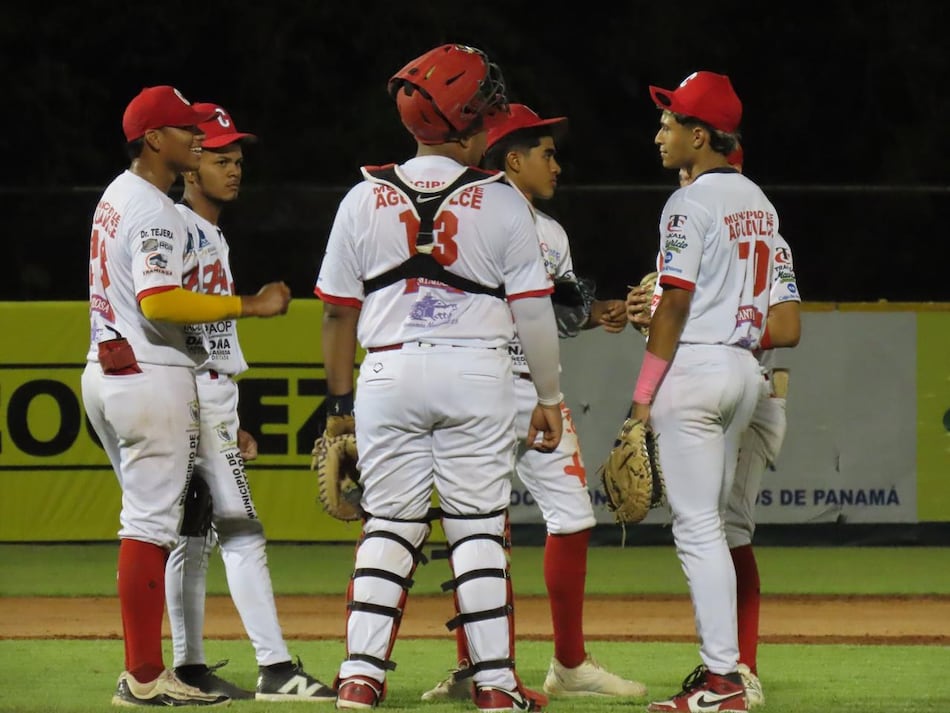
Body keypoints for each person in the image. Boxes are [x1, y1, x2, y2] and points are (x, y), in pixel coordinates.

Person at [314, 44, 564, 712]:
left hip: (387, 370)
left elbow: (338, 315)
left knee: (388, 527)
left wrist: (339, 407)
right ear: (469, 116)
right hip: (474, 371)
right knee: (477, 529)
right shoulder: (503, 202)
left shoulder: (362, 197)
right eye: (487, 101)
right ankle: (495, 686)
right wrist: (549, 397)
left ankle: (359, 678)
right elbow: (534, 314)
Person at [420, 104, 646, 702]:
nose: (557, 164)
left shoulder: (551, 232)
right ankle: (479, 667)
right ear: (512, 159)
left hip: (536, 390)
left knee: (573, 517)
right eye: (546, 152)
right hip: (480, 387)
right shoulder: (464, 218)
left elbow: (555, 314)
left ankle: (570, 663)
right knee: (479, 527)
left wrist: (598, 315)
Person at [82, 84, 291, 707]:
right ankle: (147, 677)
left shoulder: (117, 195)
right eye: (184, 130)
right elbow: (160, 300)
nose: (197, 138)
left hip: (106, 365)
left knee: (164, 527)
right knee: (151, 528)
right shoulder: (152, 209)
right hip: (148, 373)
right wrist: (248, 305)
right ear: (153, 139)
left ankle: (167, 667)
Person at [164, 102, 336, 702]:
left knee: (192, 536)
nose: (234, 169)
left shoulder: (206, 231)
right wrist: (204, 411)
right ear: (190, 165)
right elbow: (167, 321)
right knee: (242, 532)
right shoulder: (178, 225)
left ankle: (186, 667)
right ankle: (276, 668)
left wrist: (225, 418)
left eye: (237, 159)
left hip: (206, 398)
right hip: (193, 396)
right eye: (219, 158)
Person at [624, 70, 781, 713]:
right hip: (746, 370)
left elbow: (678, 301)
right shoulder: (760, 201)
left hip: (697, 368)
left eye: (669, 123)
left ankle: (723, 683)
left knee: (697, 532)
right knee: (712, 529)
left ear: (699, 134)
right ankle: (724, 674)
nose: (659, 133)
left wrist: (640, 401)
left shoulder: (687, 204)